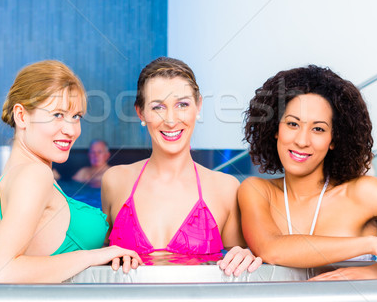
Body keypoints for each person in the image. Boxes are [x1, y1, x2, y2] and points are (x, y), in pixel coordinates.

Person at [239, 65, 377, 280]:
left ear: (334, 140)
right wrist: (372, 245)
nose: (302, 140)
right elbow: (271, 249)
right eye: (292, 124)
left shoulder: (365, 193)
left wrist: (376, 273)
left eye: (318, 129)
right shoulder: (256, 191)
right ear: (275, 130)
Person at [0, 60, 140, 283]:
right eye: (57, 115)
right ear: (22, 116)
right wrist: (93, 256)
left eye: (76, 117)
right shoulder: (35, 176)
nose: (71, 130)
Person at [102, 57, 262, 276]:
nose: (170, 120)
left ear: (198, 106)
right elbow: (99, 262)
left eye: (182, 105)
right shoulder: (115, 180)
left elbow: (238, 262)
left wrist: (245, 255)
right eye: (158, 107)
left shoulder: (226, 188)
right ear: (141, 113)